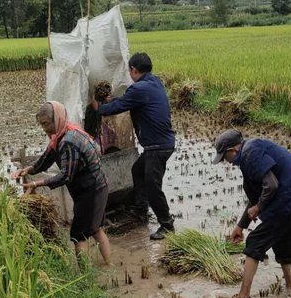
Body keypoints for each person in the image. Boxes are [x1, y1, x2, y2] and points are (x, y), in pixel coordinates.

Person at [212, 129, 291, 298]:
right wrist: (240, 226)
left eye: (225, 157)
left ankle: (243, 296)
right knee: (282, 244)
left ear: (233, 150)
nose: (227, 162)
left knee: (255, 242)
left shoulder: (250, 153)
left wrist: (259, 207)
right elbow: (256, 197)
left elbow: (271, 185)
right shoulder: (250, 153)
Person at [12, 101, 111, 264]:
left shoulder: (68, 142)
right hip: (95, 187)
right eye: (41, 124)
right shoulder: (62, 134)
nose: (44, 128)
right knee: (96, 229)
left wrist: (37, 184)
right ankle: (109, 265)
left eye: (46, 123)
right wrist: (28, 170)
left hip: (91, 190)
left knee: (78, 235)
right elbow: (47, 158)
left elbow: (66, 176)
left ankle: (85, 278)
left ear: (56, 119)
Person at [93, 52, 176, 240]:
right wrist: (113, 101)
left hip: (157, 147)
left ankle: (166, 225)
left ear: (134, 70)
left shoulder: (139, 89)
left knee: (153, 186)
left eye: (130, 71)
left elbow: (118, 107)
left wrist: (99, 108)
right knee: (138, 171)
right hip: (162, 144)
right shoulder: (155, 82)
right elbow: (125, 101)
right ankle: (140, 208)